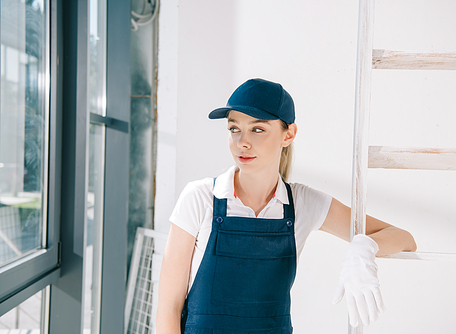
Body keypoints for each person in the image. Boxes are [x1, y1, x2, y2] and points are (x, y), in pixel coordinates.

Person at [156, 78, 417, 334]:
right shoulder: (200, 198)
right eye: (234, 128)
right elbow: (168, 309)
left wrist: (365, 248)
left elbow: (405, 239)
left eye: (257, 129)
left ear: (288, 134)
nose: (242, 142)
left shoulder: (302, 204)